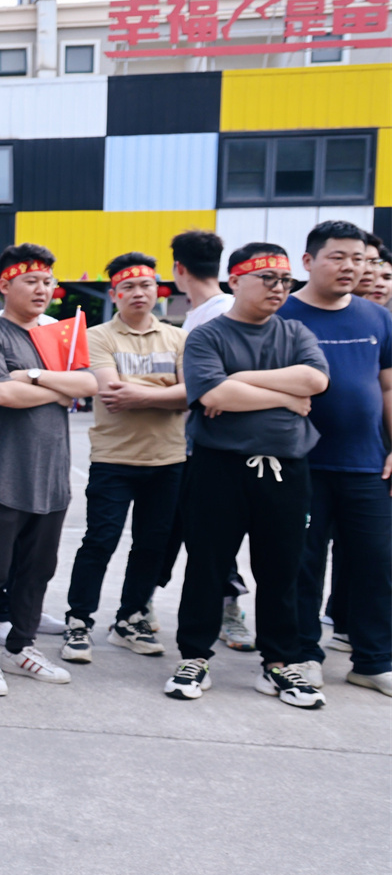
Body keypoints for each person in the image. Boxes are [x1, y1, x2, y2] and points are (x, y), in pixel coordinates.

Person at [169, 243, 329, 706]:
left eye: (286, 281)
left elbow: (316, 381)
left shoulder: (295, 331)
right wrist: (284, 394)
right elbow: (213, 395)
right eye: (268, 279)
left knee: (282, 568)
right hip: (218, 467)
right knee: (207, 565)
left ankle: (280, 662)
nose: (279, 288)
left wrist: (239, 380)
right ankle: (194, 656)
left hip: (286, 468)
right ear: (235, 280)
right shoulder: (207, 335)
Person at [0, 244, 97, 697]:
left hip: (53, 474)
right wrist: (59, 389)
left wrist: (34, 377)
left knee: (38, 570)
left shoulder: (59, 334)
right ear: (4, 284)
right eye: (31, 281)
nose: (42, 289)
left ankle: (21, 645)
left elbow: (88, 384)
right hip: (6, 472)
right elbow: (2, 394)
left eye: (47, 281)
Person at [278, 221, 392, 697]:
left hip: (367, 464)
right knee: (301, 564)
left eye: (359, 259)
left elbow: (388, 386)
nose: (351, 267)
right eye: (339, 257)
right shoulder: (282, 314)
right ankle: (303, 654)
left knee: (376, 563)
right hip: (300, 462)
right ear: (308, 261)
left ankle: (374, 660)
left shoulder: (376, 317)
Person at [60, 253, 187, 663]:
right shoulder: (98, 336)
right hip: (114, 458)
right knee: (100, 540)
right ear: (114, 294)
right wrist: (166, 391)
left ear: (158, 290)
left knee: (152, 544)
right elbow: (112, 393)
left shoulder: (179, 338)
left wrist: (145, 392)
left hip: (168, 460)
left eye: (146, 285)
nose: (138, 293)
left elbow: (193, 394)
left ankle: (130, 620)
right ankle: (79, 620)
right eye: (128, 287)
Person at [160, 230, 255, 649]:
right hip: (184, 444)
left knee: (215, 537)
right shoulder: (199, 315)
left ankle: (228, 608)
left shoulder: (221, 313)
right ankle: (141, 604)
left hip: (216, 448)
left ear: (178, 269)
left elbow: (215, 387)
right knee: (173, 532)